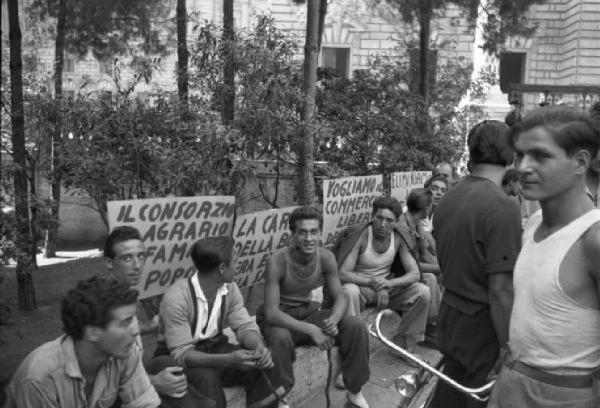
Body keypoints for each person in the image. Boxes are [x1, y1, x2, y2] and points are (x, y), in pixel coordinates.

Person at [488, 106, 600, 407]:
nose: (523, 167)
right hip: (511, 383)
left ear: (580, 162)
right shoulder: (535, 222)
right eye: (519, 155)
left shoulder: (593, 239)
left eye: (541, 156)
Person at [430, 120, 522, 408]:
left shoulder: (449, 197)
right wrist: (509, 347)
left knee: (450, 394)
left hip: (450, 314)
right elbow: (501, 289)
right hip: (482, 326)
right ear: (511, 155)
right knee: (480, 398)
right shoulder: (503, 206)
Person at [155, 236, 289, 408]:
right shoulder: (177, 298)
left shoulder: (229, 288)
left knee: (264, 363)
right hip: (177, 358)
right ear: (222, 268)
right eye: (236, 260)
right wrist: (228, 360)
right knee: (207, 378)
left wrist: (258, 347)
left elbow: (243, 325)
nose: (239, 264)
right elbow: (182, 354)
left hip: (214, 347)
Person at [259, 206, 371, 408]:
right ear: (292, 234)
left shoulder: (326, 257)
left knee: (355, 325)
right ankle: (281, 399)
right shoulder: (276, 261)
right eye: (302, 232)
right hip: (280, 319)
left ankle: (354, 392)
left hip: (307, 311)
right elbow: (271, 313)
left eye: (313, 232)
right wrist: (312, 330)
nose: (308, 238)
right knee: (281, 339)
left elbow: (340, 297)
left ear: (320, 233)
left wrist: (333, 320)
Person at [4, 276, 161, 408]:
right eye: (125, 322)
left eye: (134, 318)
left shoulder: (126, 352)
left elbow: (146, 404)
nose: (136, 330)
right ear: (93, 332)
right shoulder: (40, 378)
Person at [104, 226, 195, 405]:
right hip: (112, 396)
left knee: (171, 366)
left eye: (140, 256)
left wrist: (149, 327)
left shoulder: (123, 293)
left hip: (136, 370)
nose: (137, 266)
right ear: (109, 262)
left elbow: (122, 331)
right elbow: (106, 374)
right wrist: (153, 381)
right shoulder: (102, 302)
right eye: (126, 258)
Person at [336, 196, 434, 355]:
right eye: (379, 218)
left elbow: (415, 273)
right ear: (372, 216)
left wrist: (390, 284)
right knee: (348, 291)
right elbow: (343, 273)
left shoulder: (399, 237)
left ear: (396, 221)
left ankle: (401, 344)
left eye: (389, 220)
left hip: (387, 287)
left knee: (422, 291)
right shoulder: (361, 235)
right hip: (361, 287)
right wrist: (374, 284)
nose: (383, 224)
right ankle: (351, 347)